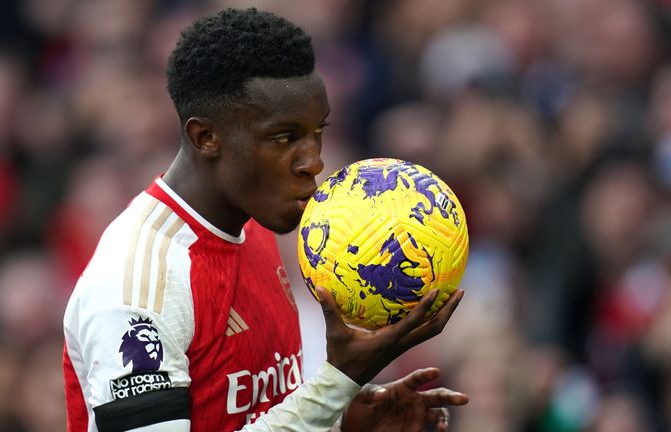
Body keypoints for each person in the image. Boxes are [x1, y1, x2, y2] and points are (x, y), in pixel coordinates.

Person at [62, 7, 467, 432]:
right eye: (284, 137)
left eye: (318, 132)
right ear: (207, 137)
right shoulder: (138, 284)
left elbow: (247, 416)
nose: (314, 162)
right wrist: (332, 388)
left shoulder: (253, 227)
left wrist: (340, 423)